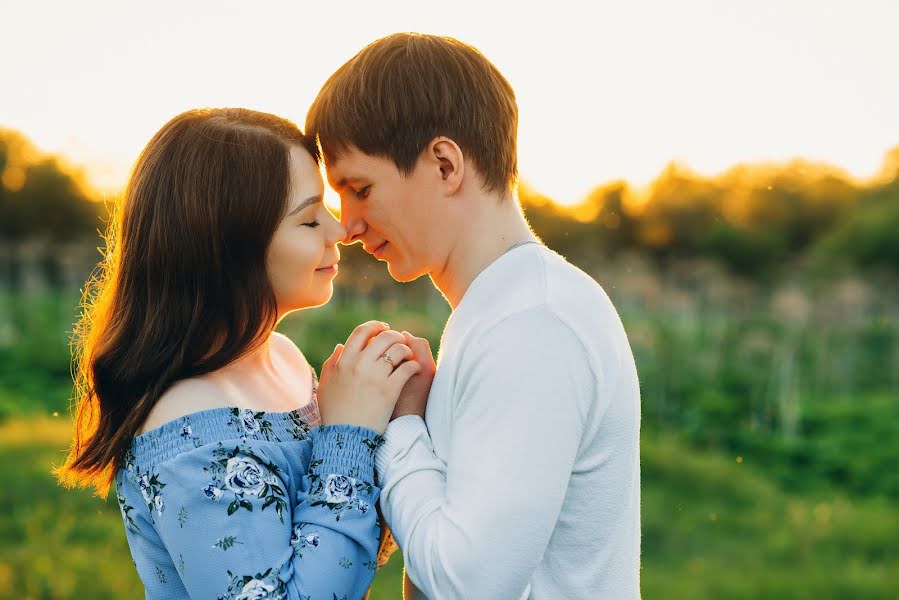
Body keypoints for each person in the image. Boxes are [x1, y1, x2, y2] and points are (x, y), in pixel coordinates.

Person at [306, 33, 642, 599]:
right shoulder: (505, 309)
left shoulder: (534, 324)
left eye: (360, 189)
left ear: (444, 164)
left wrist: (404, 429)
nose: (348, 225)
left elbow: (471, 584)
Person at [55, 108, 420, 599]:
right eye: (311, 219)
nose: (340, 232)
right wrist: (349, 434)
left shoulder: (285, 358)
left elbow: (347, 550)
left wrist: (396, 418)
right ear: (230, 246)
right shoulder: (188, 428)